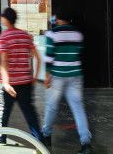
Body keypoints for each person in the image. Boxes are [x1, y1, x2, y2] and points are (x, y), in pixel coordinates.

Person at [41, 10, 92, 154]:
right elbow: (79, 51)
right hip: (75, 75)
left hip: (57, 75)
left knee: (51, 106)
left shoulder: (52, 34)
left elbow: (49, 56)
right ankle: (85, 142)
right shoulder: (78, 34)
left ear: (57, 19)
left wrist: (47, 75)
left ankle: (46, 135)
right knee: (78, 107)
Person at [0, 7, 44, 145]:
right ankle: (40, 141)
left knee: (4, 112)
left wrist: (6, 83)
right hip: (26, 83)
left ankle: (2, 138)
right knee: (30, 113)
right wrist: (34, 77)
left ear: (5, 19)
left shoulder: (2, 38)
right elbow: (38, 58)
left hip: (9, 84)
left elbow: (3, 62)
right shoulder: (25, 36)